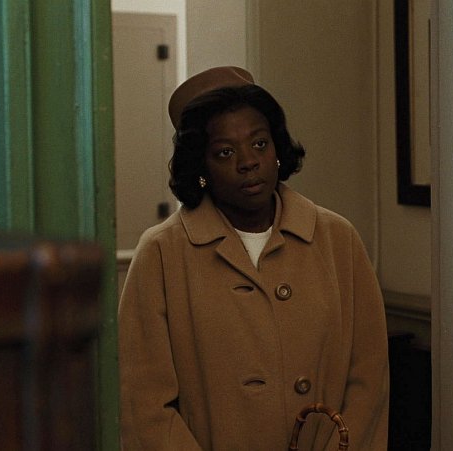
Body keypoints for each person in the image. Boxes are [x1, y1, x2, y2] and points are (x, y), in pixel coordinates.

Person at [118, 66, 389, 450]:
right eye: (225, 152)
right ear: (201, 166)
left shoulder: (337, 239)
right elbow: (144, 404)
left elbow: (369, 378)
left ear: (277, 149)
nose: (248, 161)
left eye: (259, 143)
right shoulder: (161, 253)